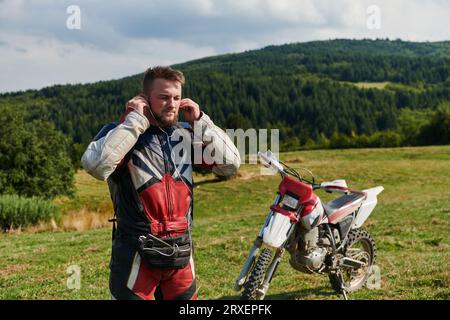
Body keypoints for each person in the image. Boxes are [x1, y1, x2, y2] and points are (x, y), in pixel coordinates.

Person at [81, 66, 241, 300]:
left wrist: (200, 122)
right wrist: (135, 120)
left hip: (181, 254)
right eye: (164, 97)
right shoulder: (122, 133)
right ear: (145, 99)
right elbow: (96, 165)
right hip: (136, 255)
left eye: (177, 97)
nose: (172, 104)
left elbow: (230, 164)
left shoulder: (184, 136)